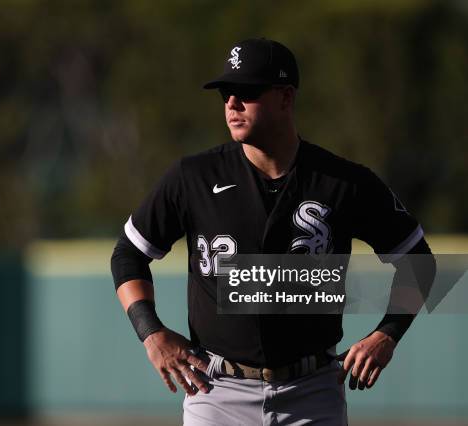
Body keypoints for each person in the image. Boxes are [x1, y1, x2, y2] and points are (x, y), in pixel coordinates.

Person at [110, 37, 435, 425]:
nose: (231, 103)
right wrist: (152, 334)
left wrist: (388, 334)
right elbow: (129, 254)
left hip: (312, 393)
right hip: (216, 391)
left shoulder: (343, 182)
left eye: (246, 92)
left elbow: (419, 261)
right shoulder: (194, 177)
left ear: (285, 97)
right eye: (226, 93)